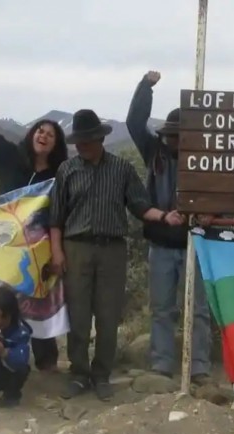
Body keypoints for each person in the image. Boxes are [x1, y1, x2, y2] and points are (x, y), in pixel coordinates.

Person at [49, 109, 185, 401]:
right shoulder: (67, 170)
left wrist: (164, 217)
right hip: (76, 247)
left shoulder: (122, 168)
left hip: (112, 249)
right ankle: (78, 372)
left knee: (109, 315)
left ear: (99, 139)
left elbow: (139, 205)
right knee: (79, 315)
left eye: (87, 141)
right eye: (79, 142)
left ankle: (102, 374)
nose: (81, 146)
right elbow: (56, 217)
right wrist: (57, 251)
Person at [0, 85, 67, 371]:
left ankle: (45, 358)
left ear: (55, 144)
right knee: (0, 299)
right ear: (32, 134)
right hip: (2, 243)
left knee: (37, 298)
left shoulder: (60, 174)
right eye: (40, 130)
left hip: (37, 247)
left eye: (50, 134)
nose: (43, 136)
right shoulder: (11, 155)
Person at [126, 70, 213, 385]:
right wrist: (145, 87)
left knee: (199, 310)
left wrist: (210, 215)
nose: (173, 139)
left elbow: (220, 194)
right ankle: (161, 365)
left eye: (180, 134)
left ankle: (199, 367)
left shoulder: (205, 158)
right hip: (162, 244)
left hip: (198, 245)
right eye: (171, 134)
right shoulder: (155, 153)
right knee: (162, 308)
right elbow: (135, 123)